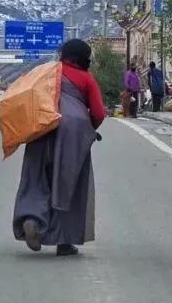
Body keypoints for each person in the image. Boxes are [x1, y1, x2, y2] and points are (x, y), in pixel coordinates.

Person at [13, 39, 106, 256]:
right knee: (69, 187)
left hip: (41, 130)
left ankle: (32, 220)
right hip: (73, 136)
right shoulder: (86, 78)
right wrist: (88, 130)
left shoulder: (46, 72)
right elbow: (98, 113)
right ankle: (65, 242)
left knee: (36, 178)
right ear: (84, 59)